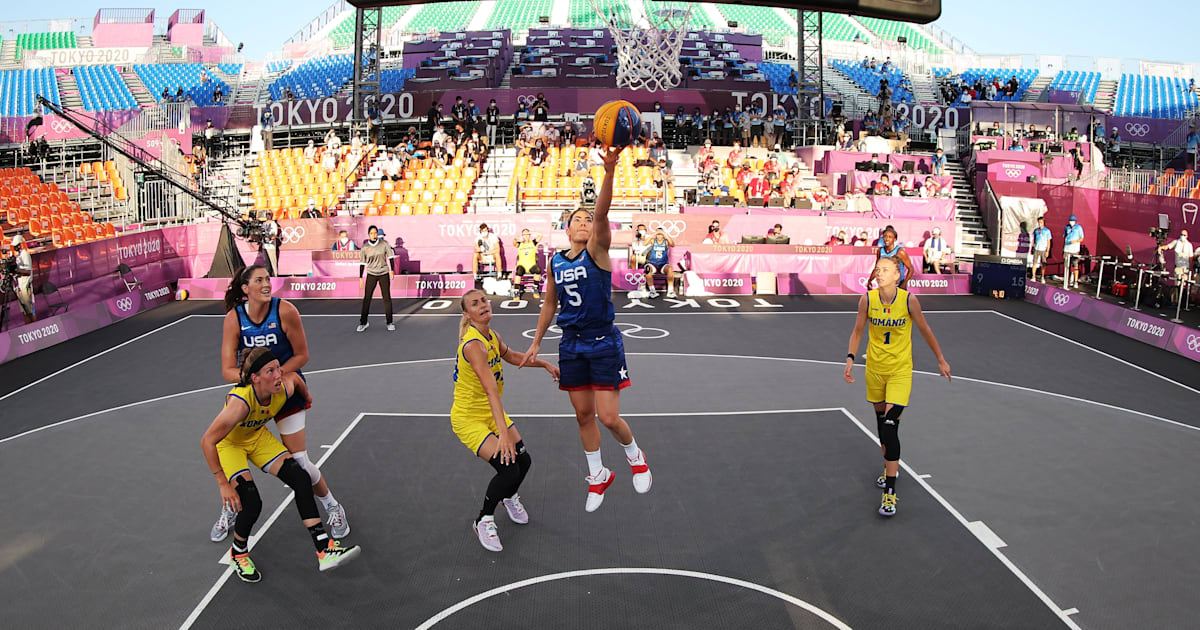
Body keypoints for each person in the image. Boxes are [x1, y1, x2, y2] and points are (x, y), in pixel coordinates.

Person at [519, 145, 653, 513]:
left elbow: (603, 212)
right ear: (566, 229)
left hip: (603, 341)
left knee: (608, 417)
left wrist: (609, 171)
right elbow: (549, 303)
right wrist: (537, 342)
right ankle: (598, 475)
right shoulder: (556, 262)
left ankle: (635, 455)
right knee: (582, 415)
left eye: (586, 219)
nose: (583, 222)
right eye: (576, 219)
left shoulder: (598, 250)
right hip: (572, 344)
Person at [213, 266, 349, 544]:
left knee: (299, 462)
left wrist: (279, 378)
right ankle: (231, 506)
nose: (267, 284)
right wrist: (256, 383)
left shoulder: (285, 311)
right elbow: (227, 369)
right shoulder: (234, 319)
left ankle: (332, 505)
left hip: (284, 388)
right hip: (254, 393)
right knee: (230, 449)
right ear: (245, 289)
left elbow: (302, 355)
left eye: (267, 279)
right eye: (259, 280)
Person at [201, 348, 362, 581]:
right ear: (255, 378)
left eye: (278, 368)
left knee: (301, 478)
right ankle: (238, 553)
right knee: (252, 503)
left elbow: (295, 378)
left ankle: (324, 549)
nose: (278, 374)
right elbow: (207, 441)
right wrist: (222, 483)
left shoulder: (282, 387)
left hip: (257, 438)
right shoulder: (240, 403)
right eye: (270, 371)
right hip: (231, 446)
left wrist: (307, 397)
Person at [843, 257, 952, 517]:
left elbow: (925, 329)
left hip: (900, 372)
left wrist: (940, 359)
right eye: (877, 269)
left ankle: (889, 493)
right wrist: (850, 358)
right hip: (875, 371)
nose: (879, 273)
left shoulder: (909, 300)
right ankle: (889, 466)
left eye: (885, 270)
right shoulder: (867, 300)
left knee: (890, 427)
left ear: (897, 275)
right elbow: (858, 331)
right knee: (882, 426)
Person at [453, 289, 559, 551]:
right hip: (469, 418)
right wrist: (503, 434)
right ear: (467, 314)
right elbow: (490, 390)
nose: (483, 305)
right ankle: (483, 519)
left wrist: (544, 364)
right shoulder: (473, 345)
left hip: (489, 412)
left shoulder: (492, 336)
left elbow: (511, 356)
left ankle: (509, 496)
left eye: (484, 301)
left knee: (524, 460)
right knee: (508, 467)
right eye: (475, 304)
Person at [357, 225, 396, 332]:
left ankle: (389, 322)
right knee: (367, 298)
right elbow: (362, 263)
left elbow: (391, 257)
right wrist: (360, 277)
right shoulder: (365, 247)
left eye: (375, 233)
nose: (374, 235)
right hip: (371, 274)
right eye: (371, 233)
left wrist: (392, 270)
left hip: (383, 273)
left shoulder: (384, 244)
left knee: (386, 298)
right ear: (368, 235)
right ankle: (363, 322)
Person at [643, 227, 676, 299]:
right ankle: (652, 291)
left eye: (661, 234)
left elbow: (673, 244)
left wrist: (665, 234)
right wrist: (654, 233)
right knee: (647, 269)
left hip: (663, 264)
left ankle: (670, 291)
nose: (659, 236)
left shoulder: (666, 241)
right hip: (653, 263)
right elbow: (644, 243)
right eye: (658, 234)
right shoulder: (653, 240)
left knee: (670, 269)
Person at [9, 234, 34, 324]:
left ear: (20, 244)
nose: (15, 247)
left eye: (16, 245)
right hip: (19, 286)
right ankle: (27, 324)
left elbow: (28, 272)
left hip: (25, 285)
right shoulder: (18, 256)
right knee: (23, 310)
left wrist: (16, 271)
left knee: (29, 309)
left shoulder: (25, 255)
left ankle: (33, 324)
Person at [513, 229, 544, 299]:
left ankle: (535, 288)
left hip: (531, 265)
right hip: (522, 265)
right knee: (519, 271)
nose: (526, 236)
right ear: (522, 236)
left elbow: (540, 235)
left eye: (527, 234)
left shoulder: (533, 243)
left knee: (538, 269)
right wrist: (515, 238)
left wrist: (531, 232)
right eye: (524, 235)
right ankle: (516, 291)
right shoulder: (520, 244)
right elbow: (514, 243)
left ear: (529, 235)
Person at [1063, 214, 1084, 288]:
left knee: (1075, 266)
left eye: (1072, 221)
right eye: (1070, 221)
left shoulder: (1078, 228)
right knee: (1067, 266)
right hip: (1067, 249)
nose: (1071, 222)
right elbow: (1064, 236)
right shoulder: (1067, 227)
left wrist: (1076, 241)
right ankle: (1067, 281)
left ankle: (1075, 281)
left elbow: (1082, 238)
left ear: (1075, 221)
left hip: (1074, 249)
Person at [1031, 216, 1051, 282]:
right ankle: (1033, 276)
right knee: (1034, 263)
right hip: (1037, 248)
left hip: (1043, 249)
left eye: (1041, 222)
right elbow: (1033, 239)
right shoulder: (1036, 230)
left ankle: (1042, 277)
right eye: (1039, 222)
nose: (1040, 223)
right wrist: (1032, 247)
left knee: (1043, 264)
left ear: (1043, 222)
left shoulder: (1047, 231)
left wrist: (1047, 250)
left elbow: (1048, 241)